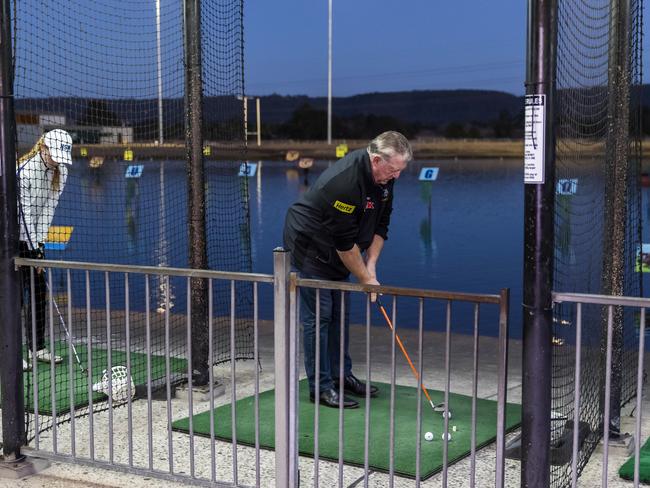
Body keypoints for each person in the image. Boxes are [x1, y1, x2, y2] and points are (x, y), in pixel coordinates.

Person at [283, 131, 412, 408]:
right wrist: (365, 279)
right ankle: (320, 387)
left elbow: (381, 225)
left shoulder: (385, 178)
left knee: (340, 315)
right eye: (393, 169)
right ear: (376, 160)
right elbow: (344, 244)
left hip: (341, 250)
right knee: (320, 318)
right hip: (311, 249)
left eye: (401, 170)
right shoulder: (344, 183)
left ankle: (341, 376)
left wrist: (371, 268)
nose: (397, 176)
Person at [17, 129, 73, 371]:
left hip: (33, 240)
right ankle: (9, 352)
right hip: (10, 239)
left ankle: (36, 347)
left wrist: (39, 247)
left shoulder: (62, 172)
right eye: (54, 156)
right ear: (43, 148)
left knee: (39, 294)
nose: (56, 161)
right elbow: (25, 215)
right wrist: (31, 249)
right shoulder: (25, 171)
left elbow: (47, 211)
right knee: (14, 298)